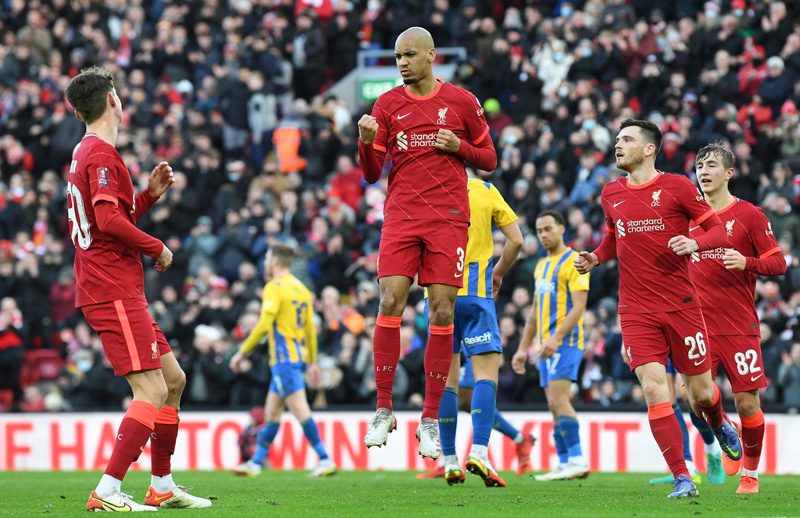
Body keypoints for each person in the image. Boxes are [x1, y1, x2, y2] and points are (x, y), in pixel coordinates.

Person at [64, 67, 211, 511]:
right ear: (112, 99)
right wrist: (158, 247)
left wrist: (146, 198)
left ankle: (162, 485)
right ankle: (106, 491)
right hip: (111, 288)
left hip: (115, 285)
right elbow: (109, 223)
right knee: (149, 392)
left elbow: (108, 220)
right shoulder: (102, 155)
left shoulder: (86, 152)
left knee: (173, 380)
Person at [574, 119, 742, 499]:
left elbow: (717, 229)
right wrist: (596, 258)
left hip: (681, 306)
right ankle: (682, 475)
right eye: (617, 139)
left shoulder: (678, 186)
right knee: (654, 389)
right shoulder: (610, 193)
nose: (618, 145)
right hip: (635, 310)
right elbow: (614, 238)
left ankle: (718, 421)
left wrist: (695, 244)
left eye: (627, 140)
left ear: (649, 149)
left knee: (699, 393)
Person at [357, 27, 497, 459]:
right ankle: (384, 409)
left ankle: (431, 419)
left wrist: (460, 147)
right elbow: (370, 172)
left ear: (431, 55)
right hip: (401, 216)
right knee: (389, 301)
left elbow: (489, 160)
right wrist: (365, 144)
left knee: (441, 310)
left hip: (449, 219)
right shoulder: (386, 105)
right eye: (397, 56)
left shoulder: (462, 102)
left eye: (409, 55)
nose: (402, 63)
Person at [688, 142, 786, 494]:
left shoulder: (750, 215)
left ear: (729, 172)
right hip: (694, 322)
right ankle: (724, 430)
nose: (704, 171)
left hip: (737, 323)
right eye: (700, 165)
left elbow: (779, 263)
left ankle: (750, 475)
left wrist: (748, 262)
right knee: (697, 400)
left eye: (712, 165)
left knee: (747, 401)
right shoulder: (686, 216)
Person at [430, 176, 524, 487]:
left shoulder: (429, 184)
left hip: (438, 294)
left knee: (447, 380)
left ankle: (450, 461)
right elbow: (517, 240)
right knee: (486, 376)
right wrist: (498, 272)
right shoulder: (483, 188)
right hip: (475, 290)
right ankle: (480, 453)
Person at [229, 244, 336, 478]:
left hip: (284, 359)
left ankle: (325, 459)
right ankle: (256, 463)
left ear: (275, 261)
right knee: (272, 413)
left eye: (267, 257)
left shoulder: (274, 287)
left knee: (300, 411)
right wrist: (313, 361)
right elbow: (309, 329)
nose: (265, 261)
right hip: (297, 357)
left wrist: (241, 352)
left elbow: (264, 324)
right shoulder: (302, 289)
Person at [512, 210, 590, 482]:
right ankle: (566, 461)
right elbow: (534, 312)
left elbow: (579, 306)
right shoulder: (541, 266)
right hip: (545, 346)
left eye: (548, 229)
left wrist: (556, 338)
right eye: (539, 230)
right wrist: (523, 348)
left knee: (559, 400)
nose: (543, 234)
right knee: (554, 404)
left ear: (561, 228)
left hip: (565, 342)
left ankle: (577, 459)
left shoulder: (575, 261)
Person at [647, 360, 709, 485]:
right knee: (667, 401)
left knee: (688, 395)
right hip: (661, 343)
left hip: (682, 341)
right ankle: (688, 466)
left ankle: (712, 451)